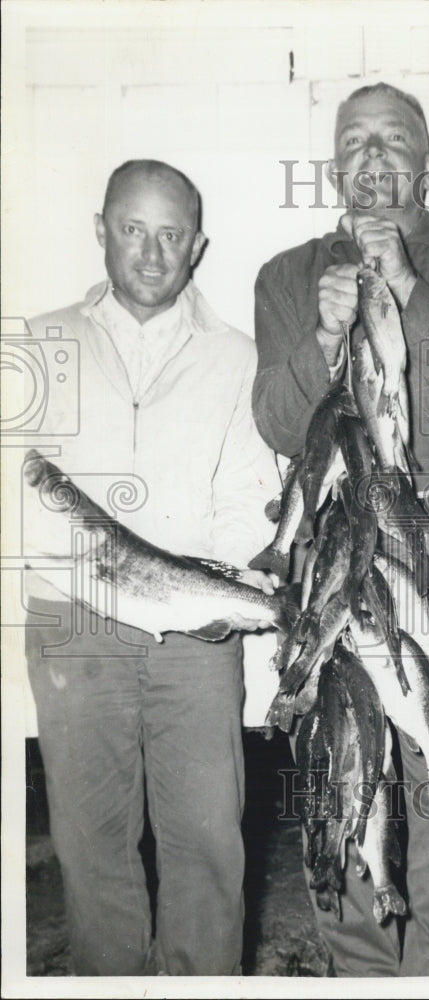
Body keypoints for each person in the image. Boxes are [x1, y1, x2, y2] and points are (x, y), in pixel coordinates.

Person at [252, 82, 429, 976]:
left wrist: (405, 286)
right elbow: (279, 423)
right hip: (331, 566)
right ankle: (362, 977)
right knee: (343, 770)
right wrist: (324, 339)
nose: (372, 155)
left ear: (428, 167)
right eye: (354, 140)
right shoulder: (286, 276)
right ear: (333, 167)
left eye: (393, 139)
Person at [23, 159, 281, 975]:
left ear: (197, 246)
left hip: (196, 635)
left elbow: (248, 491)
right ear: (101, 230)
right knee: (91, 842)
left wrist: (228, 582)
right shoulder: (38, 341)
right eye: (133, 230)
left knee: (207, 843)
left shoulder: (237, 356)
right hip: (72, 628)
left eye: (171, 235)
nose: (151, 253)